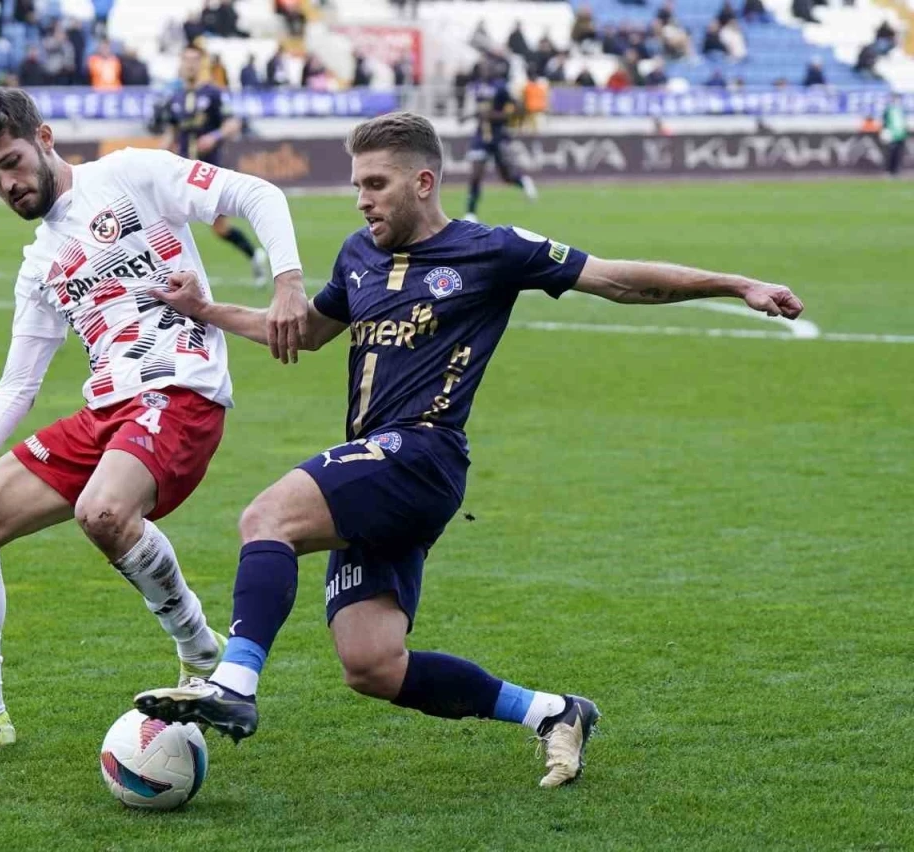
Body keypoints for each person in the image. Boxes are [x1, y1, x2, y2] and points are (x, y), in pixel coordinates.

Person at [133, 111, 806, 788]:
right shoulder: (357, 255)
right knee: (372, 665)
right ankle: (555, 713)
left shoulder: (493, 249)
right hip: (374, 464)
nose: (361, 197)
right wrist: (208, 310)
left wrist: (736, 283)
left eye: (376, 183)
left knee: (265, 517)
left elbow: (619, 279)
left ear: (423, 182)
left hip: (422, 455)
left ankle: (234, 683)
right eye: (357, 183)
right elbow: (304, 332)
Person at [0, 86, 310, 751]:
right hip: (106, 409)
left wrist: (287, 282)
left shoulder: (132, 174)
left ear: (45, 138)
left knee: (103, 511)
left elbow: (260, 195)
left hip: (180, 388)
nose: (9, 184)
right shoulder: (39, 265)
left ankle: (200, 652)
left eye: (14, 162)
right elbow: (18, 385)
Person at [161, 44, 269, 286]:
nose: (189, 65)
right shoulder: (175, 98)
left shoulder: (213, 93)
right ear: (180, 63)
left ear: (201, 64)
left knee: (220, 228)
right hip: (180, 171)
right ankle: (172, 276)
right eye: (186, 60)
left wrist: (214, 137)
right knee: (166, 219)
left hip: (208, 173)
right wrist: (153, 157)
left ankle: (255, 255)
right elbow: (171, 134)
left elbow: (233, 124)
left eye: (194, 60)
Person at [462, 69, 537, 218]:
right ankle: (471, 213)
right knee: (476, 174)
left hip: (497, 135)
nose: (485, 68)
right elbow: (480, 111)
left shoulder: (501, 87)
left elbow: (518, 108)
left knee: (506, 176)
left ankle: (523, 181)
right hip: (481, 136)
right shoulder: (476, 86)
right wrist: (467, 116)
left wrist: (497, 116)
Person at [880, 93, 907, 178]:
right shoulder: (888, 109)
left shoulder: (901, 110)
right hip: (892, 135)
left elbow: (903, 123)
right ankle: (888, 171)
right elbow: (884, 122)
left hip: (901, 135)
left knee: (898, 154)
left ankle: (896, 171)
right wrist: (885, 131)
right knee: (890, 153)